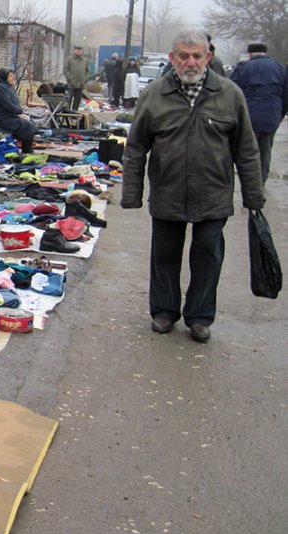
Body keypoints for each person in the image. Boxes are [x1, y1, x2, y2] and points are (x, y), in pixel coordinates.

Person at [121, 30, 265, 343]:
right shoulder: (154, 94)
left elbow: (246, 149)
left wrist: (254, 195)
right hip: (168, 190)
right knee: (165, 254)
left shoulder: (229, 94)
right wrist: (132, 193)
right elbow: (136, 147)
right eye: (183, 56)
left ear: (207, 57)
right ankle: (164, 311)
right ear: (172, 58)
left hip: (213, 193)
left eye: (197, 56)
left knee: (208, 256)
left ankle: (200, 317)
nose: (190, 62)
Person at [230, 42, 288, 184]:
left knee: (248, 151)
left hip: (248, 116)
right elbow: (286, 95)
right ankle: (261, 181)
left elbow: (232, 92)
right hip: (271, 115)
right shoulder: (280, 68)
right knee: (266, 150)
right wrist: (280, 114)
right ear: (265, 52)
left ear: (250, 54)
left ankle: (250, 182)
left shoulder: (243, 68)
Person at [0, 68, 39, 153]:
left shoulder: (10, 88)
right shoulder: (0, 88)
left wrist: (20, 112)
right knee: (26, 125)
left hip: (11, 117)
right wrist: (19, 111)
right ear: (4, 77)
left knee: (29, 122)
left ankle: (27, 149)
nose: (13, 78)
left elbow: (16, 103)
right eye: (10, 76)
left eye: (13, 76)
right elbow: (7, 104)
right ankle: (27, 150)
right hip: (2, 119)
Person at [63, 45, 90, 111]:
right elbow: (65, 70)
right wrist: (69, 78)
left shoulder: (85, 60)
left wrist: (85, 79)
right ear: (74, 50)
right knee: (68, 99)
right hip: (71, 84)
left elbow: (87, 71)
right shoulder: (69, 59)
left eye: (80, 50)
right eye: (77, 50)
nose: (78, 51)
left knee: (77, 100)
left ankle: (74, 113)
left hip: (80, 84)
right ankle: (67, 112)